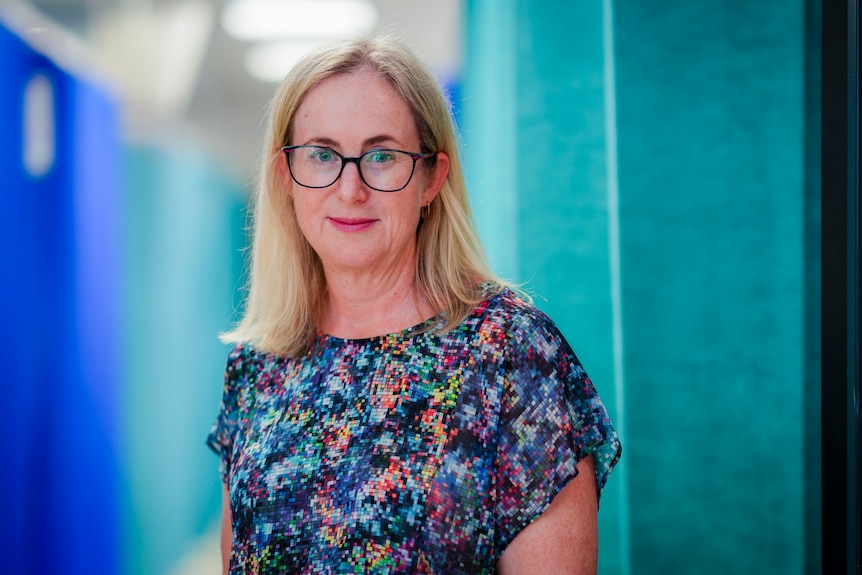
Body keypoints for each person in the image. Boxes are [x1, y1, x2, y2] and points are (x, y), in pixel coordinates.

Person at [207, 34, 621, 575]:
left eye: (381, 155)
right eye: (322, 155)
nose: (350, 189)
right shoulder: (258, 365)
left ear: (432, 177)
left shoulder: (511, 355)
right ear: (287, 177)